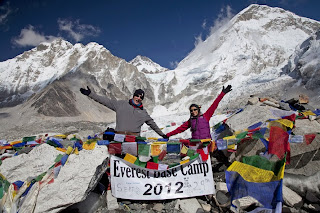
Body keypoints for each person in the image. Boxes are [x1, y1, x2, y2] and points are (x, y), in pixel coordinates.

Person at [80, 86, 168, 138]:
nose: (139, 98)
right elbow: (106, 101)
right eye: (137, 96)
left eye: (141, 97)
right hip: (118, 137)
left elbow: (153, 124)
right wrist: (90, 94)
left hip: (134, 140)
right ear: (133, 96)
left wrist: (162, 135)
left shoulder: (143, 112)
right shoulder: (121, 104)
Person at [166, 85, 232, 139]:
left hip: (206, 143)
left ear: (198, 110)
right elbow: (179, 129)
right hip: (196, 145)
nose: (193, 111)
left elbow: (214, 104)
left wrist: (222, 94)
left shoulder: (206, 116)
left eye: (195, 109)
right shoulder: (190, 121)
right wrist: (168, 135)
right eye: (191, 110)